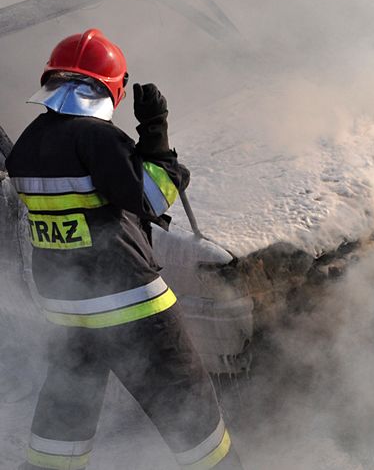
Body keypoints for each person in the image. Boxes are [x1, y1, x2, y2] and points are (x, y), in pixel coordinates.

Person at [5, 29, 243, 470]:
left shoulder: (26, 146)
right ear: (110, 88)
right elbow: (152, 199)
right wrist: (156, 134)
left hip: (67, 308)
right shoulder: (96, 137)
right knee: (188, 408)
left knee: (66, 414)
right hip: (131, 305)